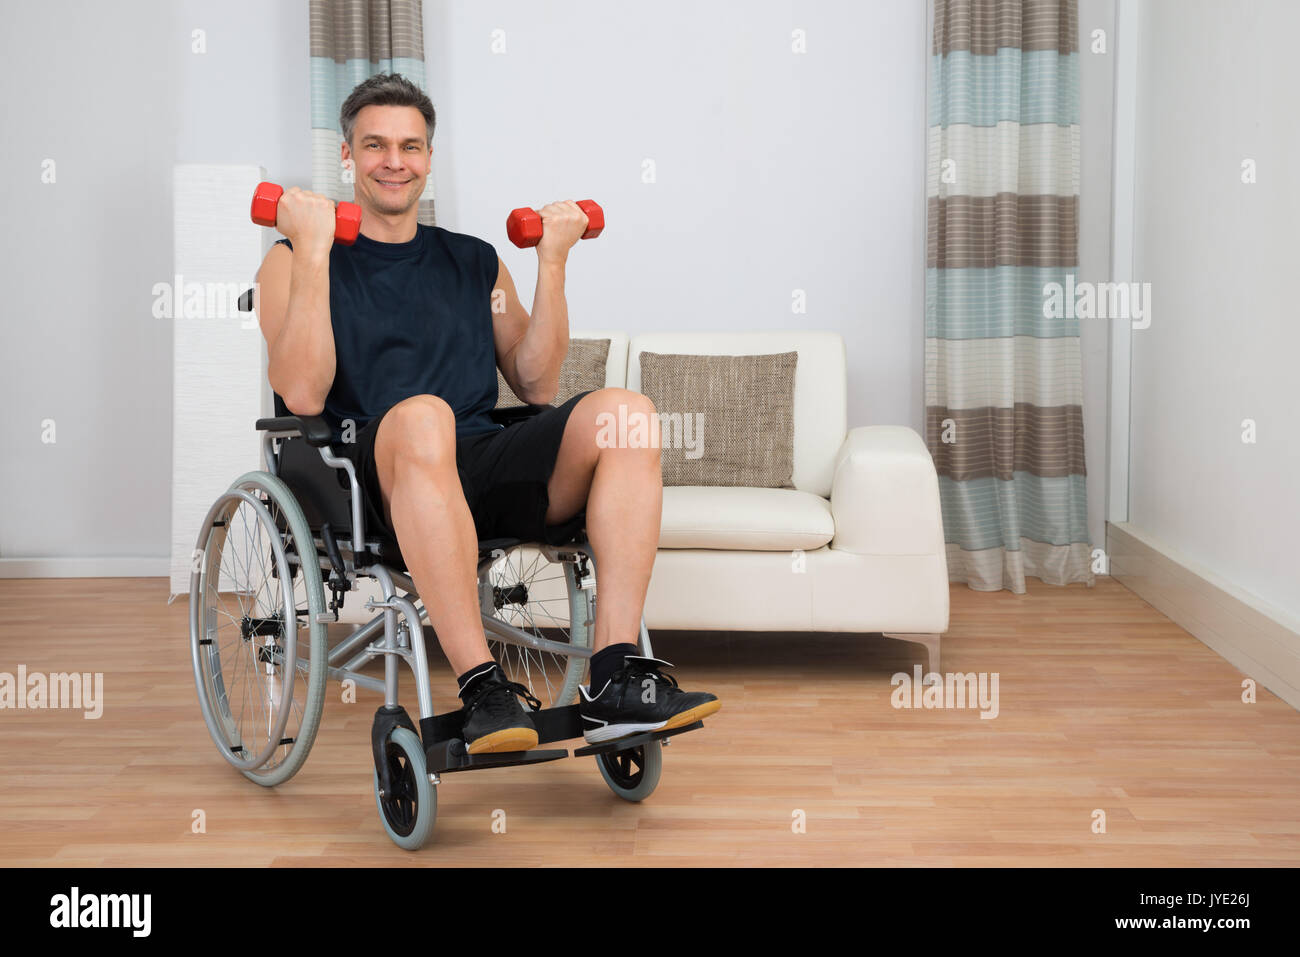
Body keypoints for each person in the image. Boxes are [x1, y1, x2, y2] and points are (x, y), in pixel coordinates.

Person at [254, 73, 719, 754]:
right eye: (376, 145)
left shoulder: (472, 261)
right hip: (371, 478)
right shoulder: (293, 259)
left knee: (628, 413)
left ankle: (615, 674)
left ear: (429, 158)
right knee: (422, 417)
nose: (394, 160)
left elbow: (535, 380)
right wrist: (318, 250)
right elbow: (301, 392)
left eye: (410, 146)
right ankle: (483, 687)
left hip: (474, 462)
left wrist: (551, 262)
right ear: (348, 157)